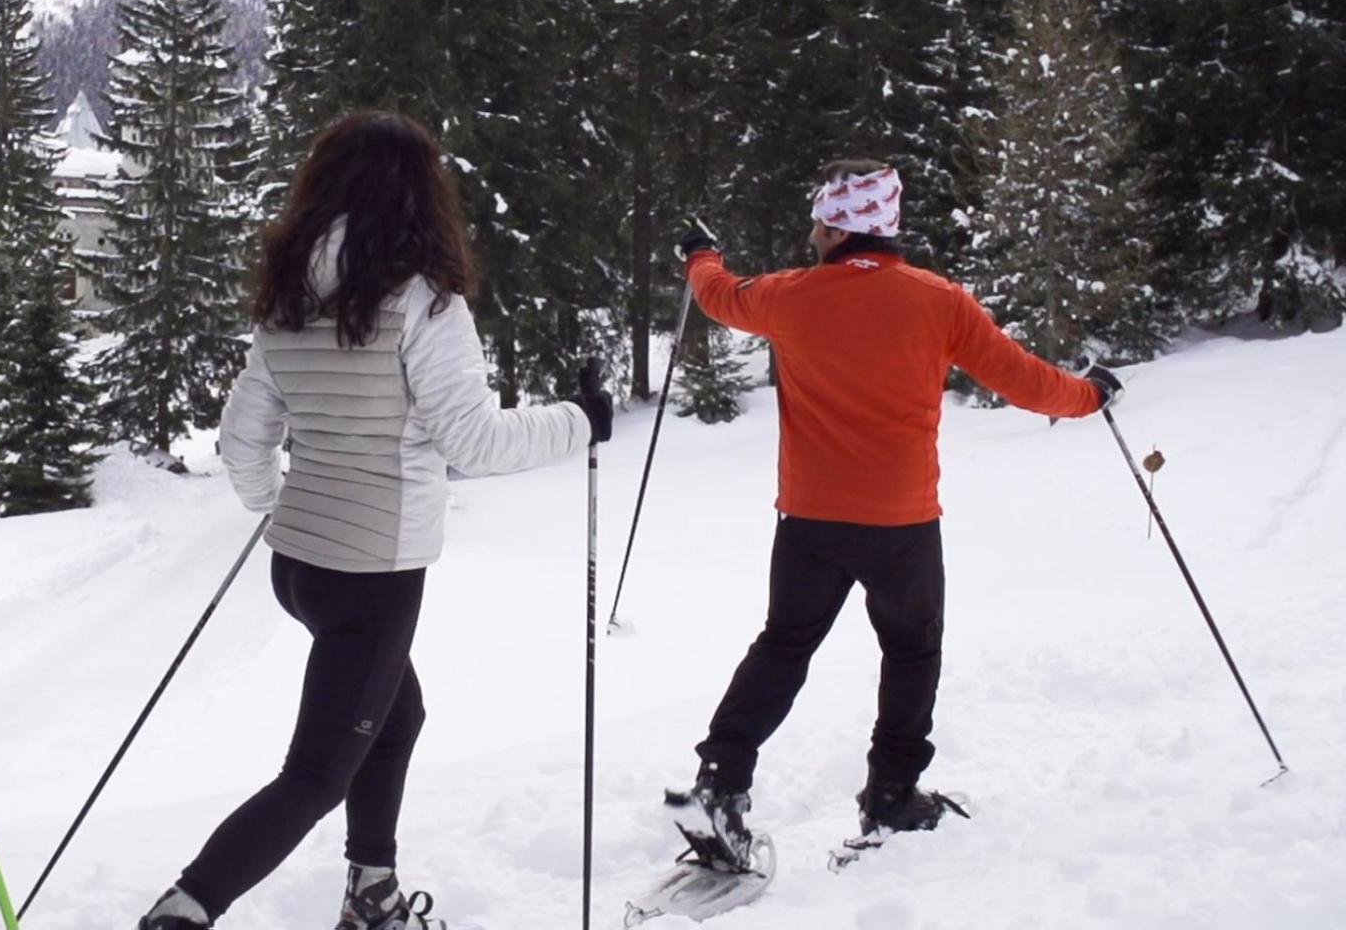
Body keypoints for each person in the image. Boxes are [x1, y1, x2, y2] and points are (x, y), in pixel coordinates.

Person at [137, 111, 614, 930]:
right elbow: (473, 440)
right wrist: (582, 419)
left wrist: (273, 502)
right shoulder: (425, 302)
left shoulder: (287, 295)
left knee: (398, 715)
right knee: (317, 775)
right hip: (375, 573)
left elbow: (244, 437)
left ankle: (372, 892)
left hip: (300, 568)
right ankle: (183, 912)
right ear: (422, 196)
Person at [666, 160, 1123, 866]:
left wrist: (701, 254)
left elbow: (719, 295)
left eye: (818, 221)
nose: (812, 233)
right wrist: (1089, 395)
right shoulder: (938, 301)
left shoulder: (790, 296)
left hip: (810, 521)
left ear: (835, 226)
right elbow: (1022, 378)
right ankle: (892, 798)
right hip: (903, 525)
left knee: (784, 645)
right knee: (911, 652)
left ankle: (720, 782)